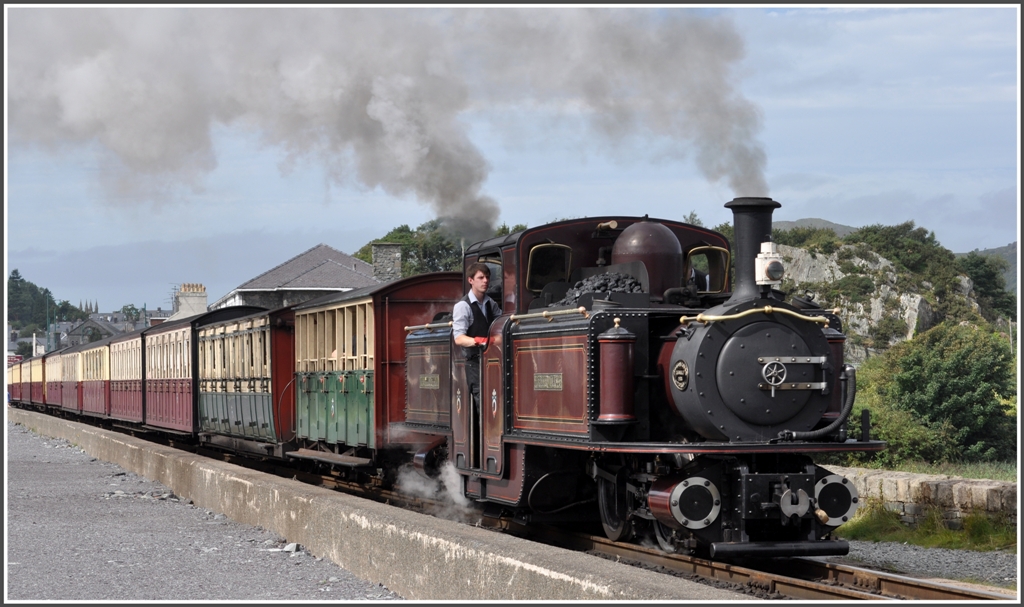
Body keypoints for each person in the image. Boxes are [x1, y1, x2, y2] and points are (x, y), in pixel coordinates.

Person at [452, 263, 502, 399]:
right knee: (481, 398)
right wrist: (479, 341)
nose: (485, 281)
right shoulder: (463, 306)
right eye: (481, 277)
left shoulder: (491, 304)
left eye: (487, 277)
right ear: (471, 280)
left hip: (492, 361)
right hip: (474, 362)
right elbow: (459, 338)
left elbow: (500, 326)